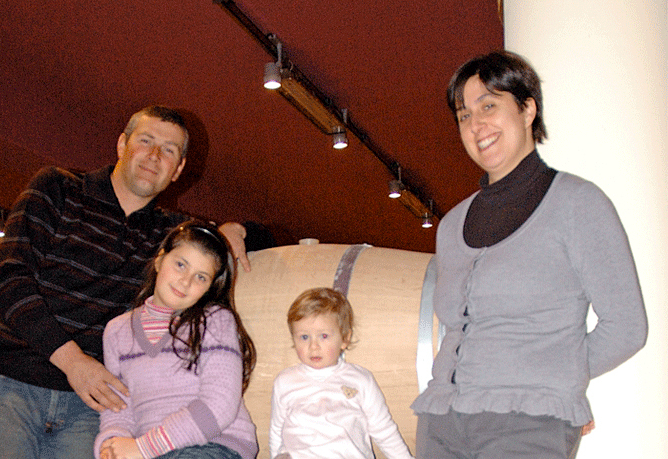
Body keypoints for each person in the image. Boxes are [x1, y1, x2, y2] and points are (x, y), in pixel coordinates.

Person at [0, 105, 260, 459]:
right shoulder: (58, 187)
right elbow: (9, 279)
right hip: (10, 382)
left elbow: (248, 239)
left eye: (168, 150)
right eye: (146, 141)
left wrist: (233, 231)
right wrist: (73, 362)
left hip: (92, 403)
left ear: (178, 169)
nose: (154, 155)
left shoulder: (169, 234)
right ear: (122, 145)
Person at [410, 50, 647, 458]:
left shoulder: (578, 203)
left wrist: (556, 382)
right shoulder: (451, 225)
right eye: (464, 115)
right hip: (442, 421)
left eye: (488, 106)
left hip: (528, 424)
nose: (476, 125)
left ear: (527, 109)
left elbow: (627, 327)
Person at [95, 220, 258, 459]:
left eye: (201, 277)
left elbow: (220, 403)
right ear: (160, 260)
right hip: (148, 450)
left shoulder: (215, 320)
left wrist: (144, 448)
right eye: (181, 265)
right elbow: (117, 406)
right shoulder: (116, 330)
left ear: (210, 287)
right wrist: (111, 445)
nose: (186, 281)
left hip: (215, 443)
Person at [269, 287, 414, 459]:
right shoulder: (285, 381)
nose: (313, 346)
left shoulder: (360, 380)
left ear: (345, 338)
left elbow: (383, 430)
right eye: (304, 337)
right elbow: (276, 430)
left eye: (323, 336)